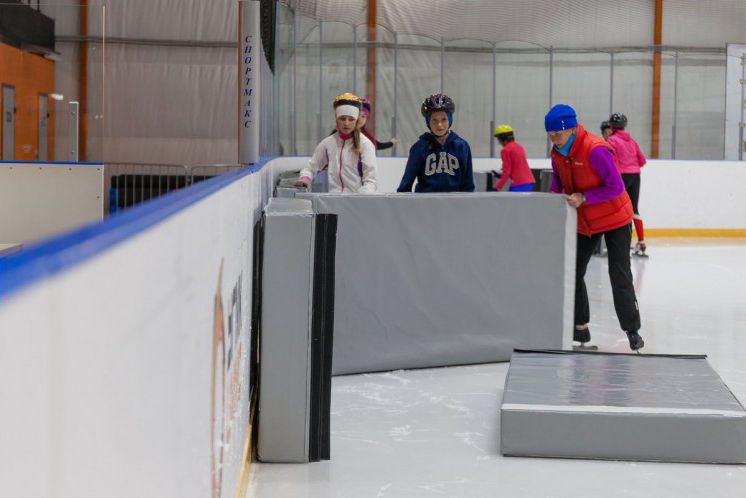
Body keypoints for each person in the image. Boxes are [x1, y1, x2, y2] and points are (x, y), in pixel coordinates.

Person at [545, 104, 644, 352]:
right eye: (550, 134)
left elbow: (616, 187)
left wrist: (585, 197)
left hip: (615, 218)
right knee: (573, 270)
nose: (554, 139)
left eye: (558, 134)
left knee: (619, 273)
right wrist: (551, 200)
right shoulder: (557, 153)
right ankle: (580, 328)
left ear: (571, 129)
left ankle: (632, 330)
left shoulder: (595, 149)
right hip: (587, 220)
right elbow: (557, 184)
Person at [296, 93, 377, 193]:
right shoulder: (328, 143)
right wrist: (305, 179)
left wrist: (358, 198)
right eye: (342, 118)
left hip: (357, 199)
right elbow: (311, 167)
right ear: (336, 119)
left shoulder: (365, 144)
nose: (346, 123)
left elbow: (371, 181)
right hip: (333, 199)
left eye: (351, 119)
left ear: (356, 121)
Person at [397, 93, 475, 193]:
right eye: (434, 120)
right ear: (428, 122)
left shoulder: (461, 146)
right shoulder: (420, 147)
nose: (439, 125)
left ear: (450, 120)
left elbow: (468, 185)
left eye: (444, 119)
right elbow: (406, 184)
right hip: (425, 201)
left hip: (454, 201)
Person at [607, 113, 648, 257]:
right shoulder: (632, 141)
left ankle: (623, 242)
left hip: (622, 176)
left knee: (618, 207)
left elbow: (610, 160)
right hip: (635, 175)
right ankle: (641, 242)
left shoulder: (612, 140)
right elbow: (642, 161)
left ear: (611, 126)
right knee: (634, 208)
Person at [493, 124, 536, 192]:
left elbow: (507, 172)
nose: (499, 142)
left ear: (502, 138)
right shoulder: (519, 146)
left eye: (498, 139)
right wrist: (501, 175)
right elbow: (517, 167)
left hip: (519, 184)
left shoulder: (505, 150)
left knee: (511, 199)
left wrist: (497, 188)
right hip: (529, 182)